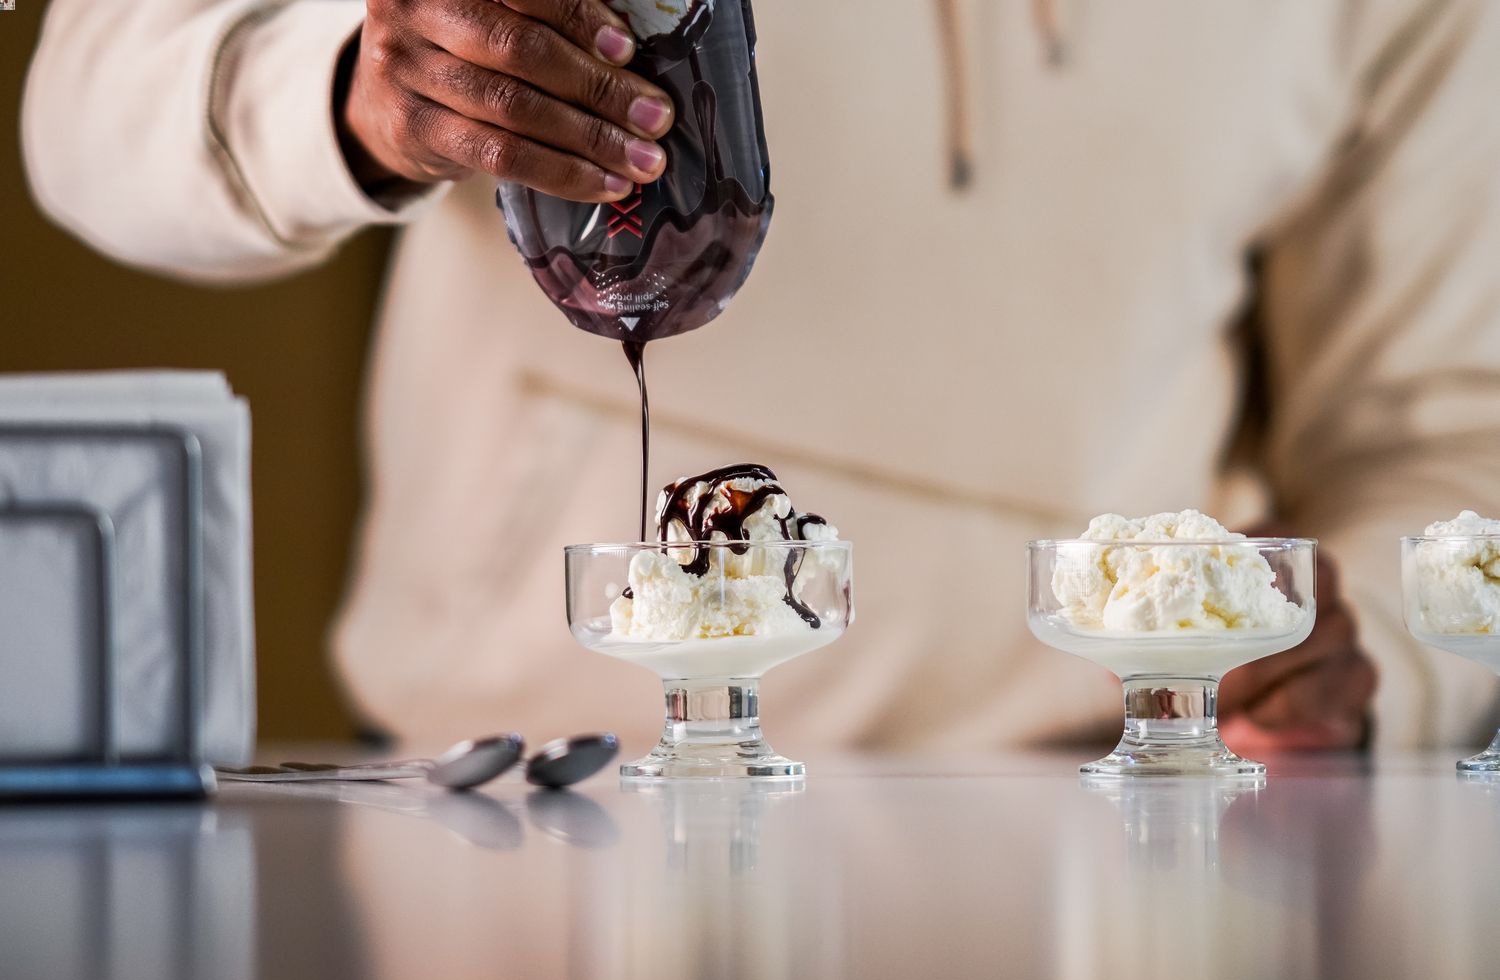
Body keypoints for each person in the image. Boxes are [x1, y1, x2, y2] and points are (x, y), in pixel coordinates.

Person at [20, 0, 1500, 753]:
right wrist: (348, 88)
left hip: (1110, 845)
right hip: (528, 821)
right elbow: (88, 108)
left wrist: (1371, 675)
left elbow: (1446, 431)